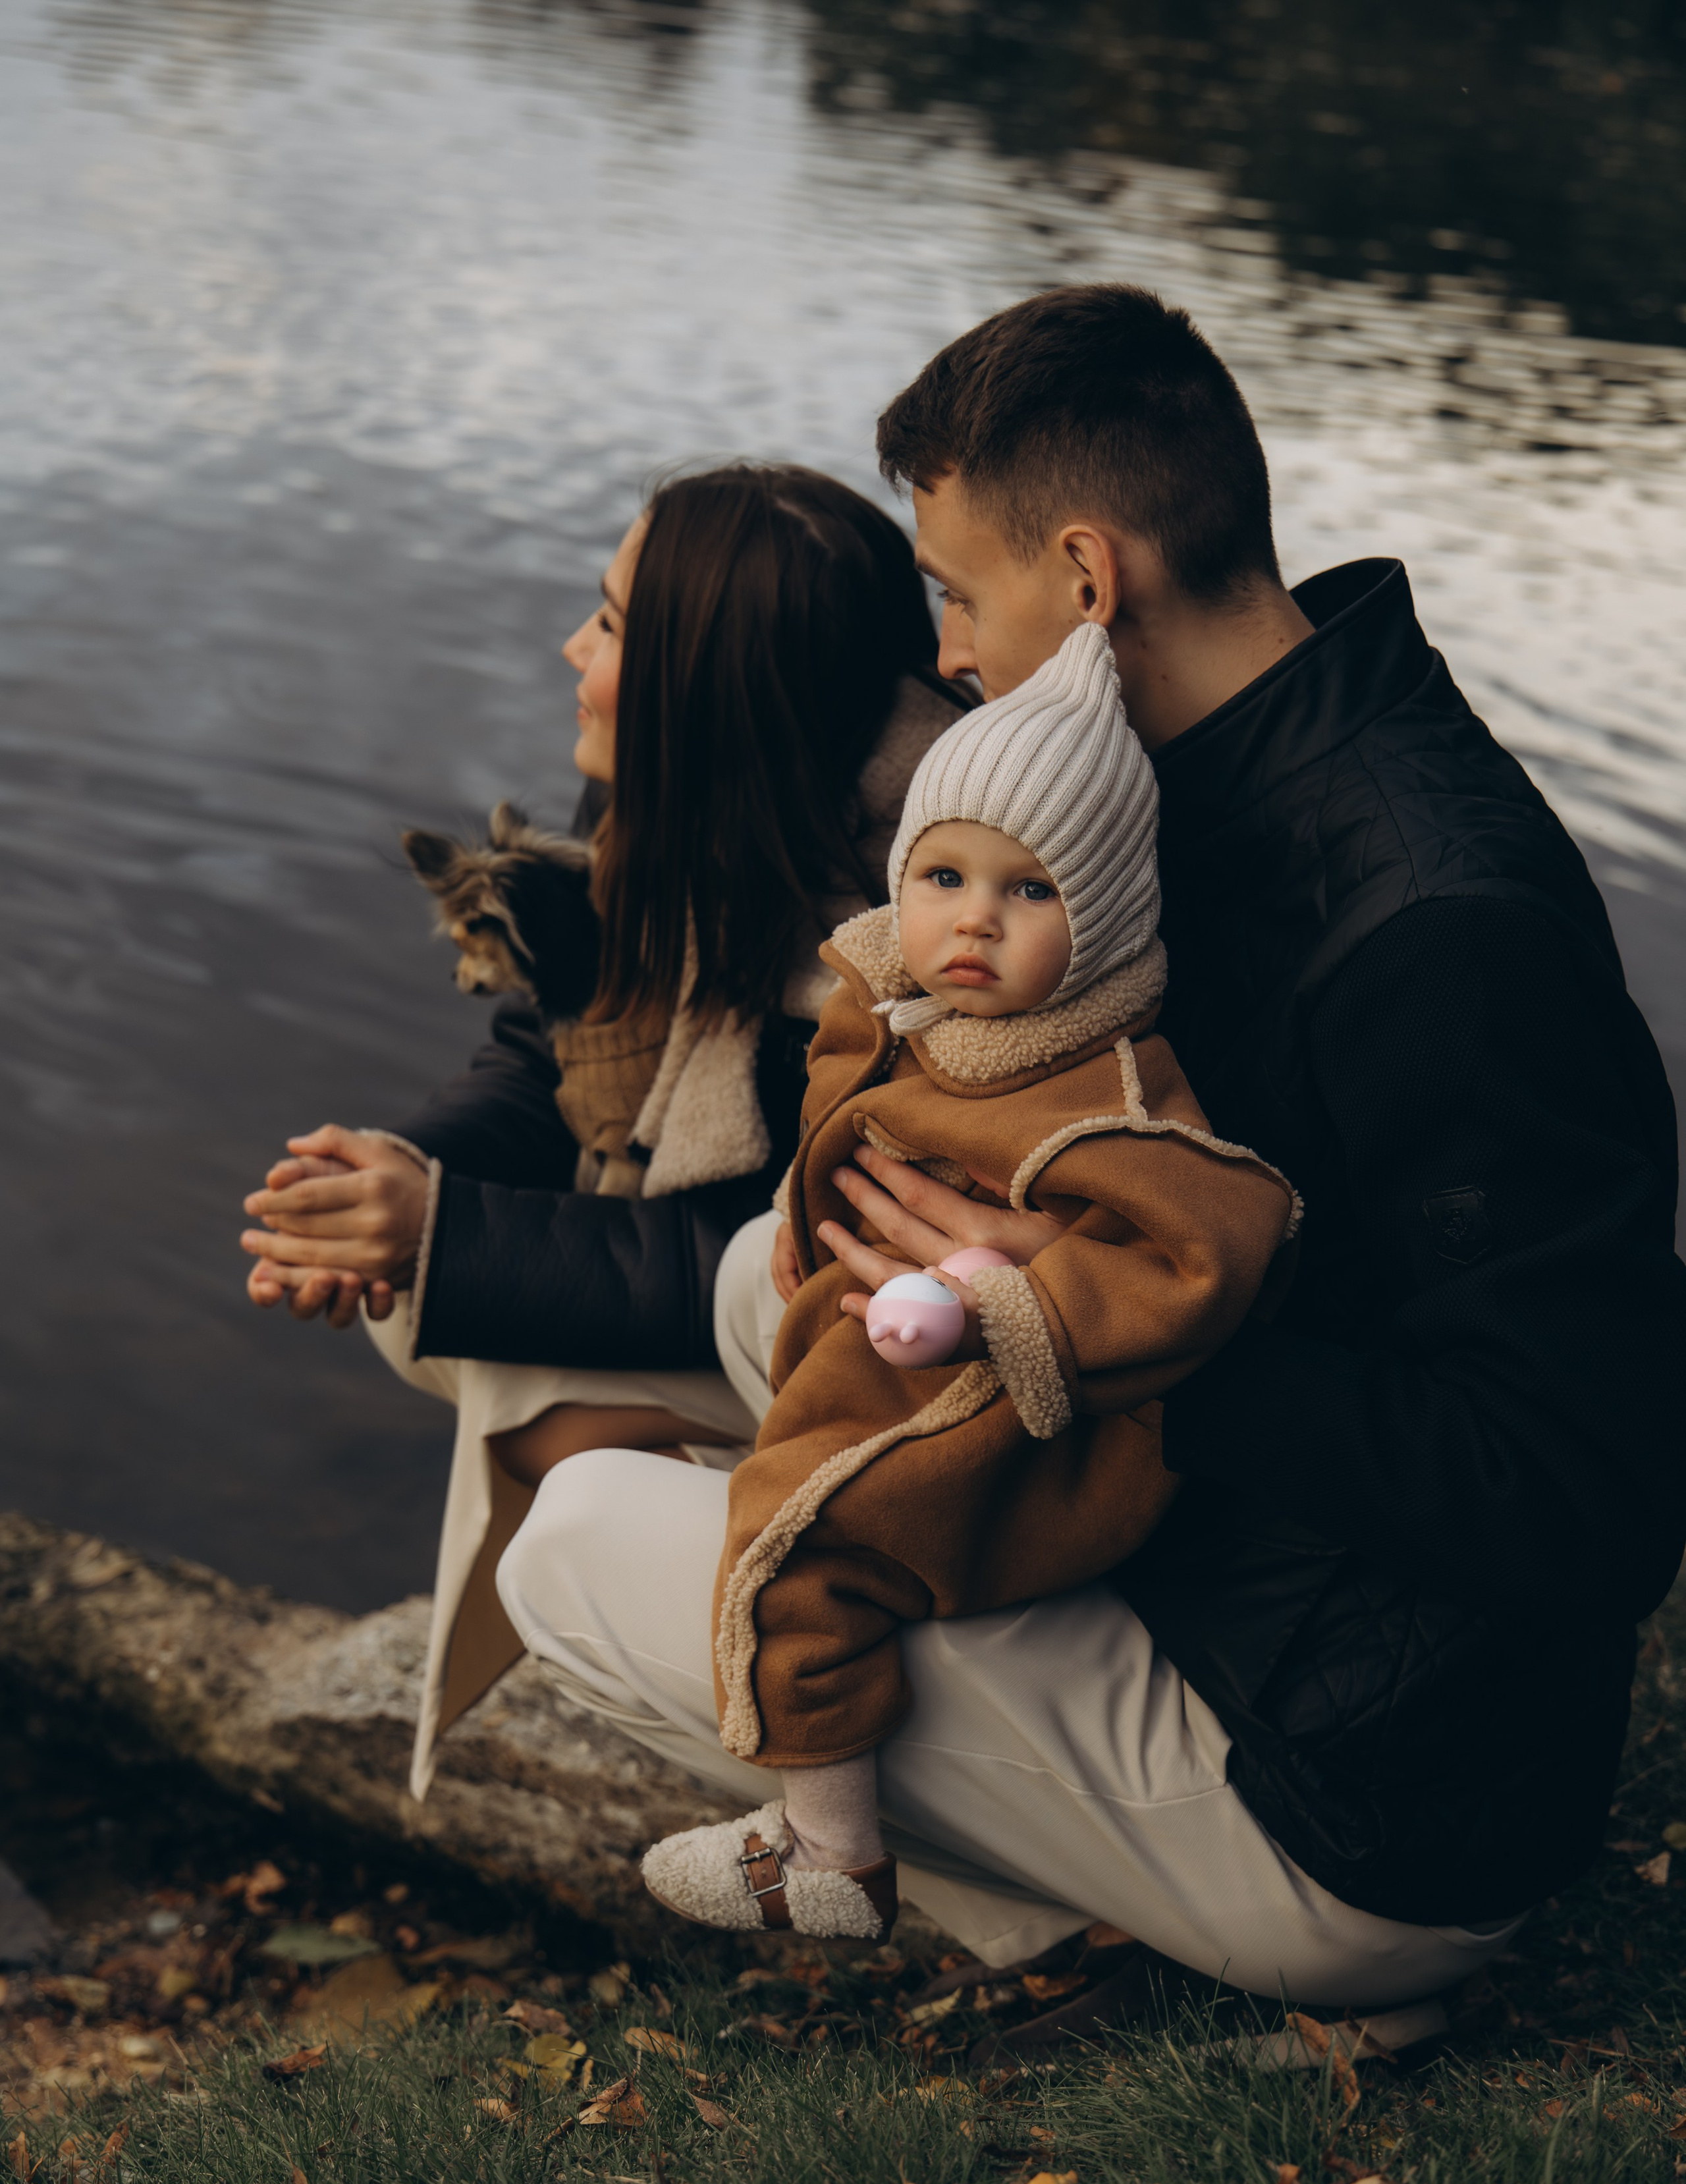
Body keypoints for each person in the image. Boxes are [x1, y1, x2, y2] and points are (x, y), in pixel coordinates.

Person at [497, 286, 1686, 2054]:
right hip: (1235, 1578)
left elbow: (1583, 1501)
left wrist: (1074, 1321)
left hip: (1359, 1796)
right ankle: (1081, 1892)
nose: (950, 655)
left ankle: (1206, 1944)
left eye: (956, 597)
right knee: (767, 1284)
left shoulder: (1440, 934)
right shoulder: (1223, 773)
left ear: (1083, 577)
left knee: (581, 1547)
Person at [238, 464, 967, 1799]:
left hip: (870, 1347)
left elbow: (777, 1259)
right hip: (735, 1288)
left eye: (614, 624)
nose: (573, 650)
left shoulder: (929, 925)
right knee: (420, 1300)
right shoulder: (665, 798)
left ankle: (771, 1613)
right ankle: (698, 1536)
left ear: (706, 687)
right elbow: (552, 1050)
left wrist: (445, 1234)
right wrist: (392, 1181)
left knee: (500, 1375)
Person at [639, 625, 1295, 1941]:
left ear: (1105, 921)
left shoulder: (1106, 1089)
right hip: (900, 1334)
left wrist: (1014, 1305)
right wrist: (806, 1204)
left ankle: (830, 1853)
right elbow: (840, 1090)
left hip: (1025, 1411)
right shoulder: (908, 1005)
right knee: (791, 1427)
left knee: (798, 1537)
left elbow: (1218, 1243)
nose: (973, 920)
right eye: (942, 875)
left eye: (1030, 891)